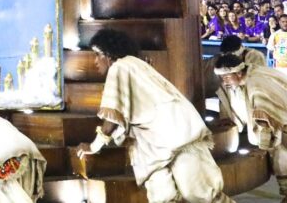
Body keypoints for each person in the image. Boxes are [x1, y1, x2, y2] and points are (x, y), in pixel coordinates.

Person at [77, 29, 231, 203]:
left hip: (176, 136)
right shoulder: (135, 65)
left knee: (201, 194)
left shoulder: (120, 67)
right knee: (166, 196)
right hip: (158, 141)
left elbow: (113, 117)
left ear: (108, 54)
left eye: (97, 55)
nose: (95, 61)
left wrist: (94, 146)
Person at [214, 54, 287, 202]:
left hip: (282, 126)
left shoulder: (256, 85)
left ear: (239, 73)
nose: (224, 81)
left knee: (281, 159)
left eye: (227, 77)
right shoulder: (254, 72)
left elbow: (266, 118)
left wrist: (264, 144)